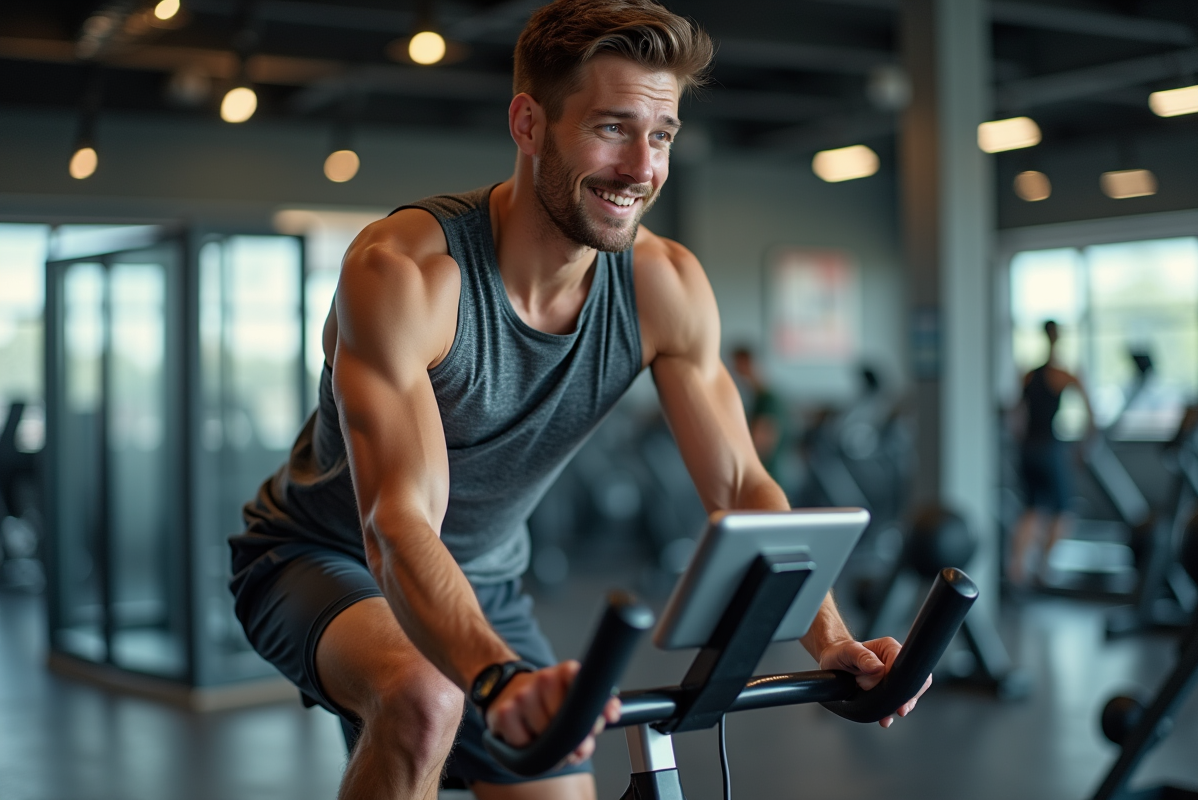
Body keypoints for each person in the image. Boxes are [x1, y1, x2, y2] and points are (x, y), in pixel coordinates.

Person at [229, 2, 930, 798]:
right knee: (426, 697)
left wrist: (830, 641)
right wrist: (496, 679)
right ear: (529, 124)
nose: (640, 167)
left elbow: (740, 485)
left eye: (660, 135)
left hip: (487, 582)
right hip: (321, 560)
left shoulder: (664, 284)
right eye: (612, 128)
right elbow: (398, 526)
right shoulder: (406, 273)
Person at [1008, 320, 1094, 587]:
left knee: (1031, 510)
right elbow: (1091, 414)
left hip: (1028, 449)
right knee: (1063, 512)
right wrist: (1084, 446)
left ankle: (1018, 571)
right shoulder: (1063, 375)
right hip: (1049, 448)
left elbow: (1016, 418)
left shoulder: (1028, 375)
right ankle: (1043, 568)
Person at [730, 345, 786, 479]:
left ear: (746, 364)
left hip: (768, 474)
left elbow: (762, 443)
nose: (735, 373)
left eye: (737, 367)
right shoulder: (757, 398)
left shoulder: (768, 400)